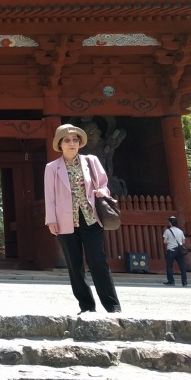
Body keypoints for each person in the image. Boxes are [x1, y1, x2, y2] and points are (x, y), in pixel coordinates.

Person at [44, 123, 121, 314]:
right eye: (67, 140)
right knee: (74, 264)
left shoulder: (90, 161)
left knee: (98, 261)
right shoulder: (52, 168)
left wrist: (102, 191)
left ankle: (112, 306)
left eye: (75, 140)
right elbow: (50, 196)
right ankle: (86, 307)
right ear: (60, 144)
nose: (72, 143)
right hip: (65, 221)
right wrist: (51, 220)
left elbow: (103, 184)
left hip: (90, 217)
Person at [163, 215, 188, 286]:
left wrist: (170, 242)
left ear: (171, 222)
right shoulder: (180, 231)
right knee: (182, 266)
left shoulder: (167, 231)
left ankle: (171, 281)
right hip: (179, 250)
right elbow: (183, 242)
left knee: (169, 266)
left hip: (171, 249)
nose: (169, 223)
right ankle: (184, 281)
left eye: (169, 221)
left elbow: (165, 241)